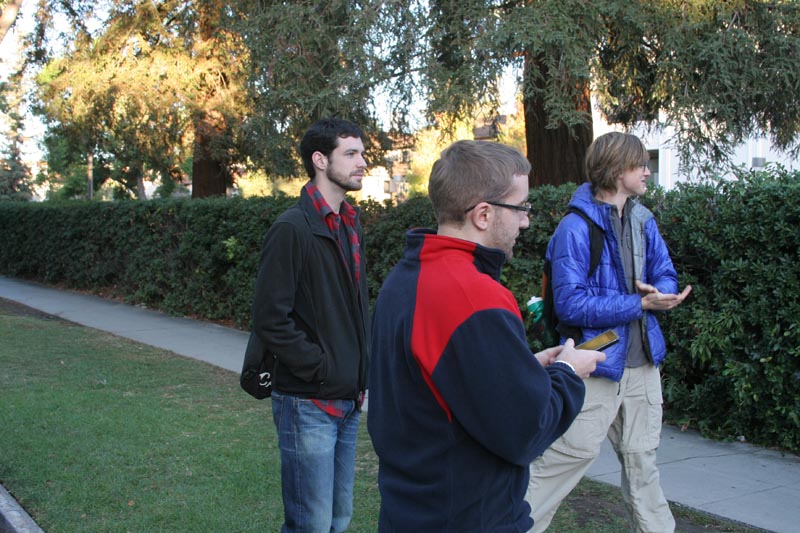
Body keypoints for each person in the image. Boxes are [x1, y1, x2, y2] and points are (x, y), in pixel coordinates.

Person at [367, 139, 606, 531]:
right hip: (466, 517)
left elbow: (432, 385)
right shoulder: (473, 297)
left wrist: (524, 368)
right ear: (483, 214)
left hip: (412, 511)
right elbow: (526, 432)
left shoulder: (406, 277)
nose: (526, 221)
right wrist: (566, 371)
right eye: (521, 208)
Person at [525, 132, 692, 532]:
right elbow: (571, 304)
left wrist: (663, 293)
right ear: (618, 171)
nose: (647, 171)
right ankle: (510, 524)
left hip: (642, 364)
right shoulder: (574, 227)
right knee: (567, 457)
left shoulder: (642, 218)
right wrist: (639, 304)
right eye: (640, 165)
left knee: (642, 463)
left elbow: (665, 272)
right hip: (594, 364)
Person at [251, 118, 370, 532]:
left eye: (362, 152)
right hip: (308, 403)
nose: (362, 162)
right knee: (311, 525)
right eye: (351, 153)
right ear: (320, 160)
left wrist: (359, 372)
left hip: (349, 399)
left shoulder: (349, 223)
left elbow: (354, 311)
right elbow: (270, 318)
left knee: (339, 519)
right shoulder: (292, 228)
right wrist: (319, 366)